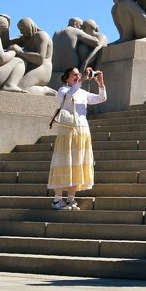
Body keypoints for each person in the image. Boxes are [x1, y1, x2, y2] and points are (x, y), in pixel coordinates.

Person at [48, 66, 106, 210]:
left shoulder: (83, 92)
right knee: (64, 163)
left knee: (78, 164)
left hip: (82, 131)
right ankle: (57, 199)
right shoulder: (62, 90)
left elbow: (102, 98)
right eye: (73, 75)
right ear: (66, 78)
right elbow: (68, 96)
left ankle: (71, 199)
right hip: (67, 131)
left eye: (78, 74)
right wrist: (83, 79)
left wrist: (100, 83)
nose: (77, 77)